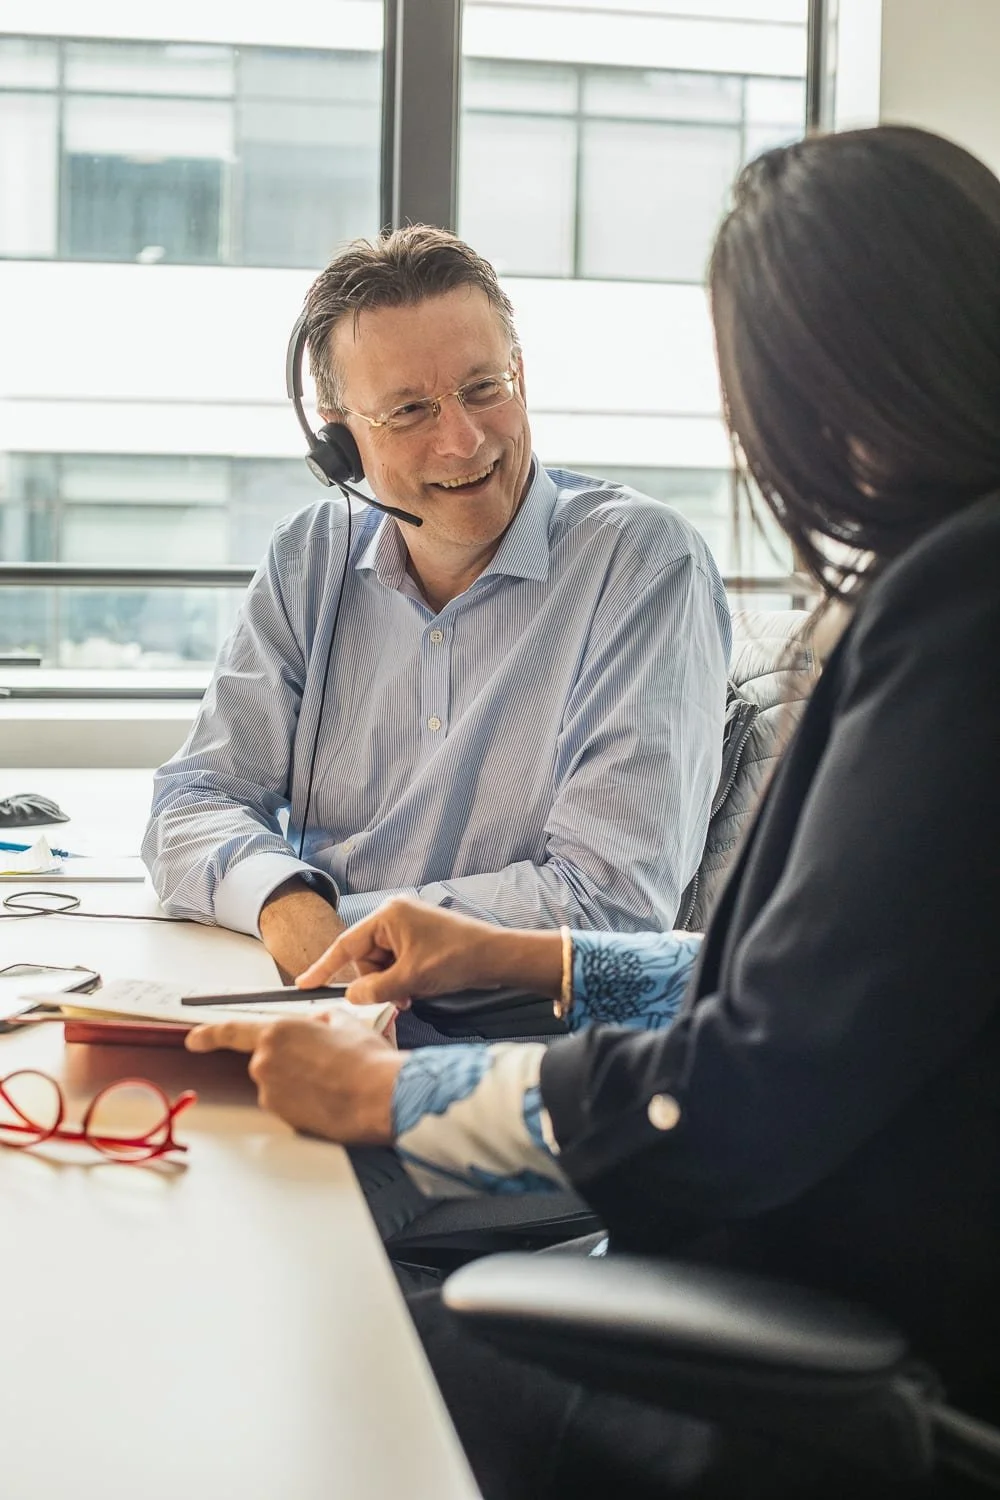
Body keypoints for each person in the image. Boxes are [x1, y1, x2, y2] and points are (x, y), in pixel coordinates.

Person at [186, 123, 1000, 1497]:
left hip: (828, 1335)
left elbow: (748, 1084)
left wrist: (401, 1094)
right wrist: (533, 958)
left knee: (290, 1349)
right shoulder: (947, 588)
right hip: (792, 1253)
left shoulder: (957, 616)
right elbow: (812, 988)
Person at [141, 226, 730, 986]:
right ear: (339, 440)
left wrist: (309, 921)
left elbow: (609, 904)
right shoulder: (308, 560)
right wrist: (282, 897)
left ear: (521, 375)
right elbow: (194, 797)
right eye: (411, 410)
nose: (463, 440)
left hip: (511, 1047)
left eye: (485, 388)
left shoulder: (642, 564)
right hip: (316, 1006)